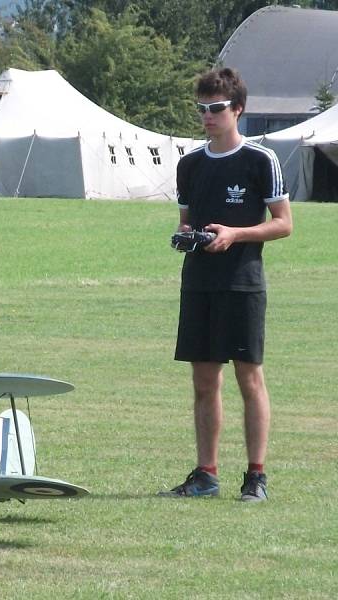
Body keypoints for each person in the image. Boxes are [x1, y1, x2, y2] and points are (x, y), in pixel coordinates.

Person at [161, 67, 293, 502]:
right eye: (201, 109)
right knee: (203, 381)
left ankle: (256, 474)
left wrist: (235, 234)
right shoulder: (190, 164)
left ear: (238, 109)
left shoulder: (260, 160)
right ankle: (206, 473)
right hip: (198, 282)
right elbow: (185, 220)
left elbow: (283, 225)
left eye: (216, 108)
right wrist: (187, 237)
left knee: (249, 378)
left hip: (242, 283)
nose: (207, 116)